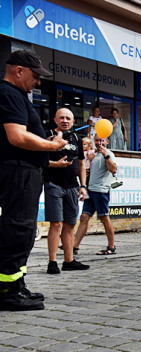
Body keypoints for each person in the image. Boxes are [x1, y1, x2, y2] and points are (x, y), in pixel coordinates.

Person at [0, 50, 67, 311]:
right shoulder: (9, 93)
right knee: (18, 229)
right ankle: (7, 291)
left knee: (22, 230)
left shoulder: (15, 95)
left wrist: (46, 145)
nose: (37, 82)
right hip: (18, 173)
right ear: (18, 71)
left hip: (24, 171)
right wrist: (51, 147)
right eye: (35, 76)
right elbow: (17, 137)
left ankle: (15, 285)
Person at [43, 108, 89, 274]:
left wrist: (83, 185)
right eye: (61, 118)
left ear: (72, 121)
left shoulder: (76, 138)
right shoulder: (47, 135)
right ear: (55, 119)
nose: (65, 121)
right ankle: (52, 262)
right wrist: (56, 164)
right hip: (53, 184)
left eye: (68, 118)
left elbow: (82, 164)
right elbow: (40, 160)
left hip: (73, 186)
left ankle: (69, 261)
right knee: (56, 224)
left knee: (70, 224)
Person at [73, 137, 117, 255]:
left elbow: (113, 170)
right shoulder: (93, 155)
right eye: (97, 140)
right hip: (91, 190)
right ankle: (74, 246)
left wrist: (106, 156)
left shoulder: (109, 154)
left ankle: (111, 247)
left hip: (101, 191)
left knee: (104, 218)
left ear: (107, 142)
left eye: (101, 140)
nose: (99, 143)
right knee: (84, 217)